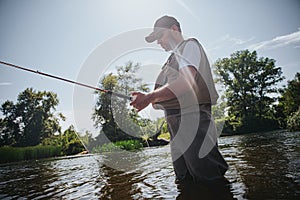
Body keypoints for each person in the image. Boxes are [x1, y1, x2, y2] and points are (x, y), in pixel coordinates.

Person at [130, 15, 228, 184]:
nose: (158, 42)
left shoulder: (189, 46)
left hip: (193, 119)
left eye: (160, 36)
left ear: (174, 29)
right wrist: (148, 99)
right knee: (184, 180)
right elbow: (162, 98)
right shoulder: (172, 59)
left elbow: (186, 82)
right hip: (176, 125)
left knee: (209, 179)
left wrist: (149, 97)